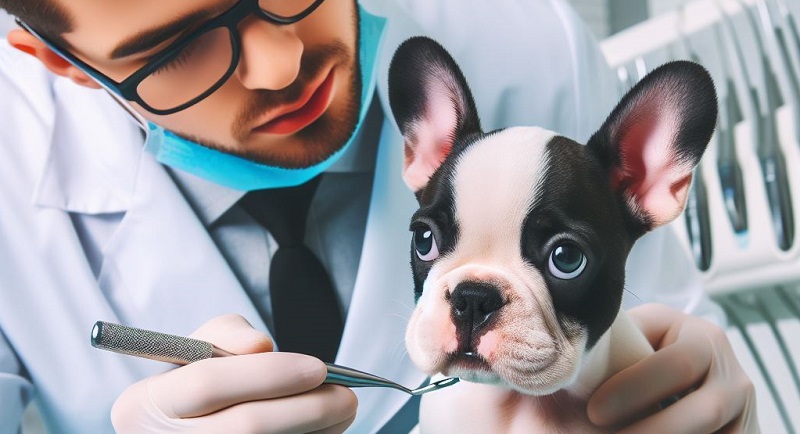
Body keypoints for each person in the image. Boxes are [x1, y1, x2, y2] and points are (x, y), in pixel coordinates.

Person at [0, 0, 758, 432]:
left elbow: (652, 325)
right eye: (179, 47)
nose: (283, 62)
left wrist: (713, 412)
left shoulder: (524, 37)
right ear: (60, 59)